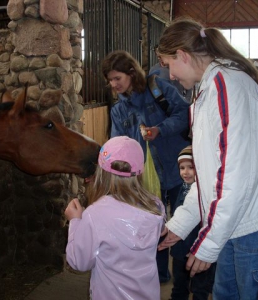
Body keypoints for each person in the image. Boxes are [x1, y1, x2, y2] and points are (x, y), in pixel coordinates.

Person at [156, 18, 258, 299]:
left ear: (182, 55)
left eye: (168, 64)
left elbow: (235, 175)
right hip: (236, 218)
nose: (170, 75)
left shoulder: (226, 86)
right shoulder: (208, 89)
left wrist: (208, 244)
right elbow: (211, 175)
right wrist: (181, 224)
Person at [101, 50, 190, 283]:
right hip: (146, 181)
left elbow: (185, 114)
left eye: (117, 78)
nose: (113, 84)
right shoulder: (118, 111)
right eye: (110, 80)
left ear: (131, 73)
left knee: (185, 223)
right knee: (154, 227)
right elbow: (117, 146)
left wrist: (161, 129)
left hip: (179, 171)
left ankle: (187, 274)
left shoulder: (158, 89)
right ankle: (159, 275)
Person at [65, 136, 165, 300]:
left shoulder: (94, 215)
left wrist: (75, 221)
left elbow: (79, 262)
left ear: (101, 172)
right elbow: (159, 231)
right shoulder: (156, 206)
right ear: (141, 169)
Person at [171, 145, 216, 300]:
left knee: (200, 286)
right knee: (179, 282)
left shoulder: (207, 191)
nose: (186, 172)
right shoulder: (180, 188)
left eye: (191, 167)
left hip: (199, 247)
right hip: (180, 249)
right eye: (182, 168)